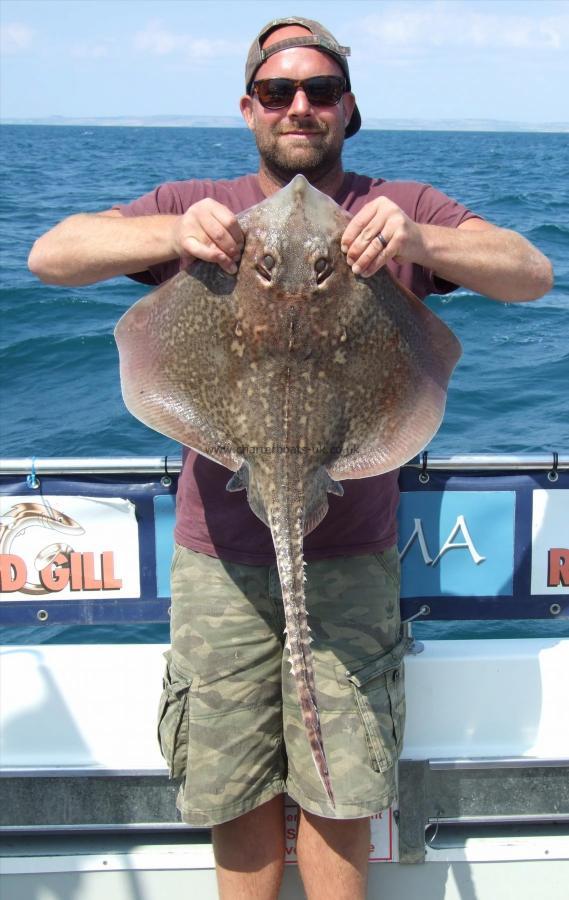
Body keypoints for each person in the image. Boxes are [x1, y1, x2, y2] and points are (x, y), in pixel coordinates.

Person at [29, 16, 552, 900]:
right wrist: (171, 235)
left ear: (349, 109)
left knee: (339, 783)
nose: (299, 106)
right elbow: (51, 255)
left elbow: (530, 271)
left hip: (352, 556)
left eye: (320, 92)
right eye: (279, 92)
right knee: (231, 783)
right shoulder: (201, 202)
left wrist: (417, 243)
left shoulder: (400, 208)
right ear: (249, 107)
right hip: (217, 558)